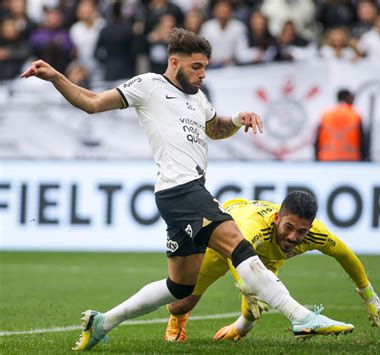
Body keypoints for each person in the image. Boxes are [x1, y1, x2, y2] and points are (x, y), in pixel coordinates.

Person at [20, 28, 353, 351]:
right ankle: (302, 316)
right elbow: (90, 101)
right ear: (174, 62)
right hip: (182, 189)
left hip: (180, 194)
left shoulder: (198, 98)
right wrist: (55, 77)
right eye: (196, 67)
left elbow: (216, 129)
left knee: (180, 286)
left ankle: (103, 322)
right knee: (240, 248)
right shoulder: (149, 85)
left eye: (205, 67)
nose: (202, 74)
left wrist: (238, 118)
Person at [164, 192, 380, 342]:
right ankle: (178, 320)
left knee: (254, 312)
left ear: (309, 227)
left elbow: (344, 254)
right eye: (288, 227)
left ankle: (235, 331)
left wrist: (370, 295)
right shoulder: (255, 227)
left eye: (301, 231)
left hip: (264, 257)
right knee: (181, 301)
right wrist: (245, 285)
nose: (292, 237)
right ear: (277, 218)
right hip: (224, 242)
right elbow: (236, 253)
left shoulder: (316, 233)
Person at [314, 89, 369, 161]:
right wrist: (365, 158)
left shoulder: (326, 115)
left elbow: (317, 139)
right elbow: (362, 140)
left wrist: (316, 157)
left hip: (326, 158)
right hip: (350, 159)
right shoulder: (354, 115)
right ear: (348, 98)